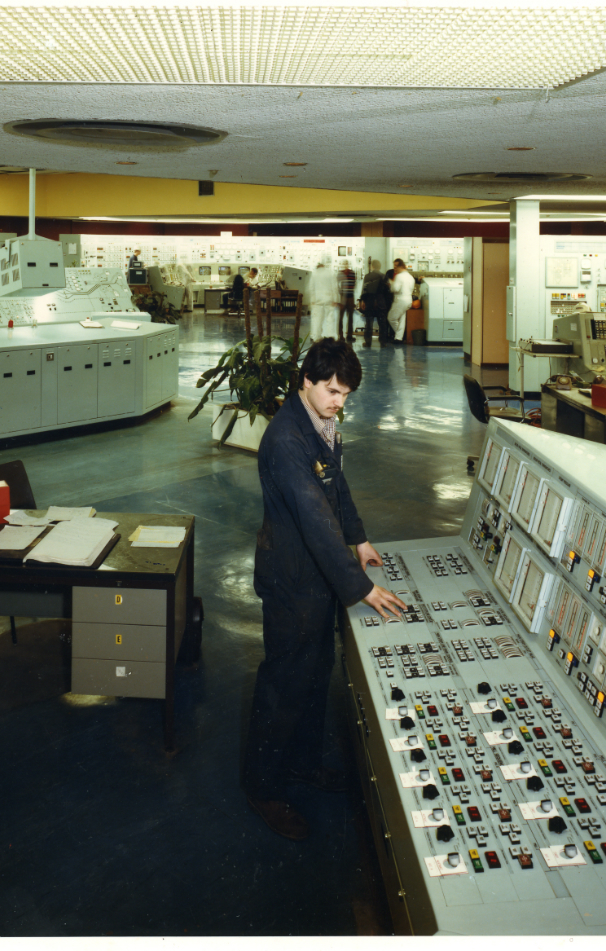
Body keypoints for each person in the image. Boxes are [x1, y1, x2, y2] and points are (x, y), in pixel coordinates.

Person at [243, 338, 406, 840]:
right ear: (306, 382)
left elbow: (338, 489)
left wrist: (358, 539)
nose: (339, 401)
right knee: (285, 685)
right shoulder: (286, 440)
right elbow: (315, 521)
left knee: (315, 680)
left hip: (318, 580)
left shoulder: (323, 423)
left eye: (346, 394)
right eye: (332, 391)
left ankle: (303, 765)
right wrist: (361, 589)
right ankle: (264, 786)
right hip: (293, 581)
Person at [307, 259, 338, 341]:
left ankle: (316, 337)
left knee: (317, 320)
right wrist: (335, 299)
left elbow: (311, 288)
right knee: (330, 319)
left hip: (317, 301)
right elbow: (335, 287)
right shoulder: (330, 273)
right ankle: (331, 338)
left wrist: (312, 300)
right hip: (329, 299)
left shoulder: (314, 273)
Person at [359, 260, 387, 347]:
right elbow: (387, 291)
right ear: (380, 267)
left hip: (369, 301)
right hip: (380, 301)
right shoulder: (383, 276)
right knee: (382, 323)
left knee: (369, 322)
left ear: (372, 266)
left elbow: (364, 290)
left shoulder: (367, 276)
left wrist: (362, 300)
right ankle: (383, 342)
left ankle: (368, 342)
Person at [387, 259, 416, 344]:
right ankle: (399, 339)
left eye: (396, 266)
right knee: (402, 320)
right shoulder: (410, 277)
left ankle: (401, 335)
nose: (394, 269)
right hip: (408, 300)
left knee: (391, 318)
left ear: (400, 266)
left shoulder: (399, 276)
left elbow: (395, 289)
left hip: (400, 299)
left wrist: (391, 283)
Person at [336, 259, 357, 343]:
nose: (345, 265)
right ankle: (340, 335)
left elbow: (354, 284)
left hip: (350, 297)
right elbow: (337, 286)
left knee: (350, 317)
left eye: (346, 263)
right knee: (340, 317)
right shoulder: (340, 274)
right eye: (344, 264)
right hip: (342, 297)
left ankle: (349, 335)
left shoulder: (352, 273)